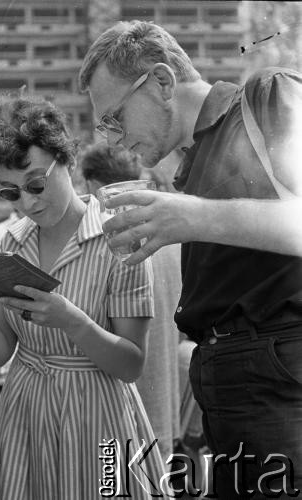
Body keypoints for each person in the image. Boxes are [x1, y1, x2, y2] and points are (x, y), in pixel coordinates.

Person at [79, 20, 302, 499]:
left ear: (161, 82)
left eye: (116, 117)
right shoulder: (191, 165)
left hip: (278, 378)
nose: (114, 138)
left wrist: (193, 217)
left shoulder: (267, 94)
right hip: (233, 387)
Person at [0, 95, 164, 499]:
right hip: (26, 413)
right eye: (10, 192)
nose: (28, 203)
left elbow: (131, 364)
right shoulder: (11, 243)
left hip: (98, 415)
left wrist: (71, 319)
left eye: (37, 184)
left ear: (67, 161)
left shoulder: (120, 242)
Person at [80, 142, 182, 463]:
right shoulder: (171, 239)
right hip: (163, 403)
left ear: (93, 187)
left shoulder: (111, 246)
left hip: (117, 414)